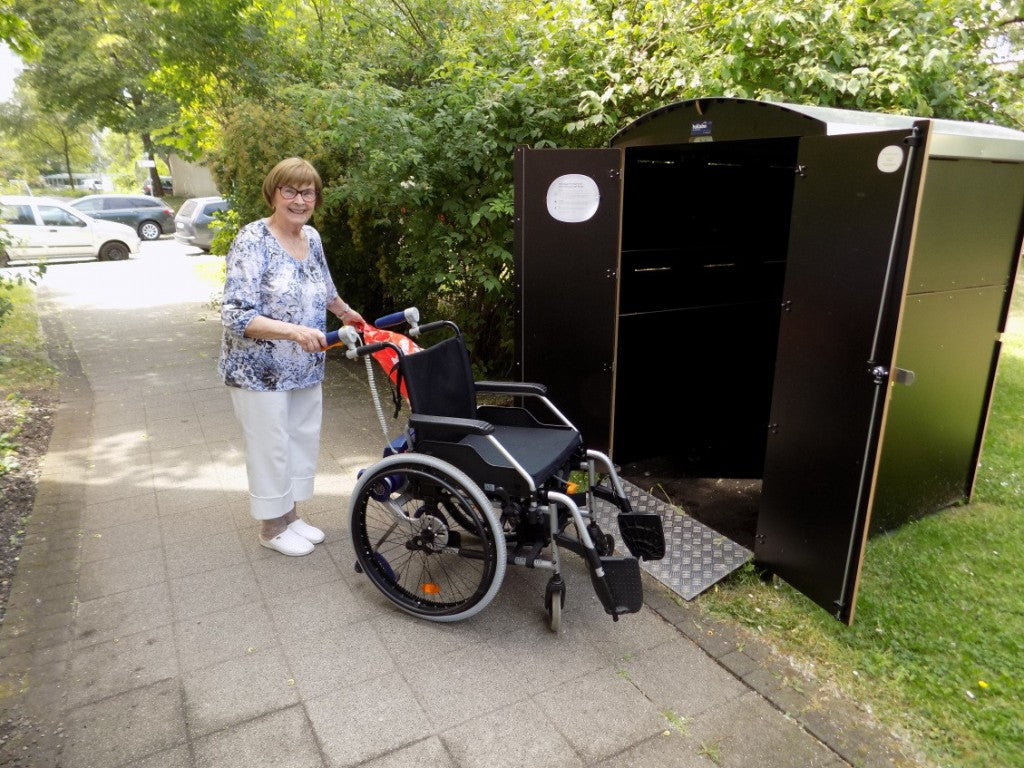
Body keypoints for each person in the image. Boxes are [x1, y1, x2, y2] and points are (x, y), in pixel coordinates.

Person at [219, 157, 364, 556]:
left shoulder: (311, 238)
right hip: (258, 371)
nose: (299, 200)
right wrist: (294, 331)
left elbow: (325, 289)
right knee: (271, 445)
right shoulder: (253, 240)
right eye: (291, 191)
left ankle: (291, 516)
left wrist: (345, 313)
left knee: (301, 438)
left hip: (305, 364)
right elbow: (235, 314)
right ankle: (270, 526)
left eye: (308, 192)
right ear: (274, 193)